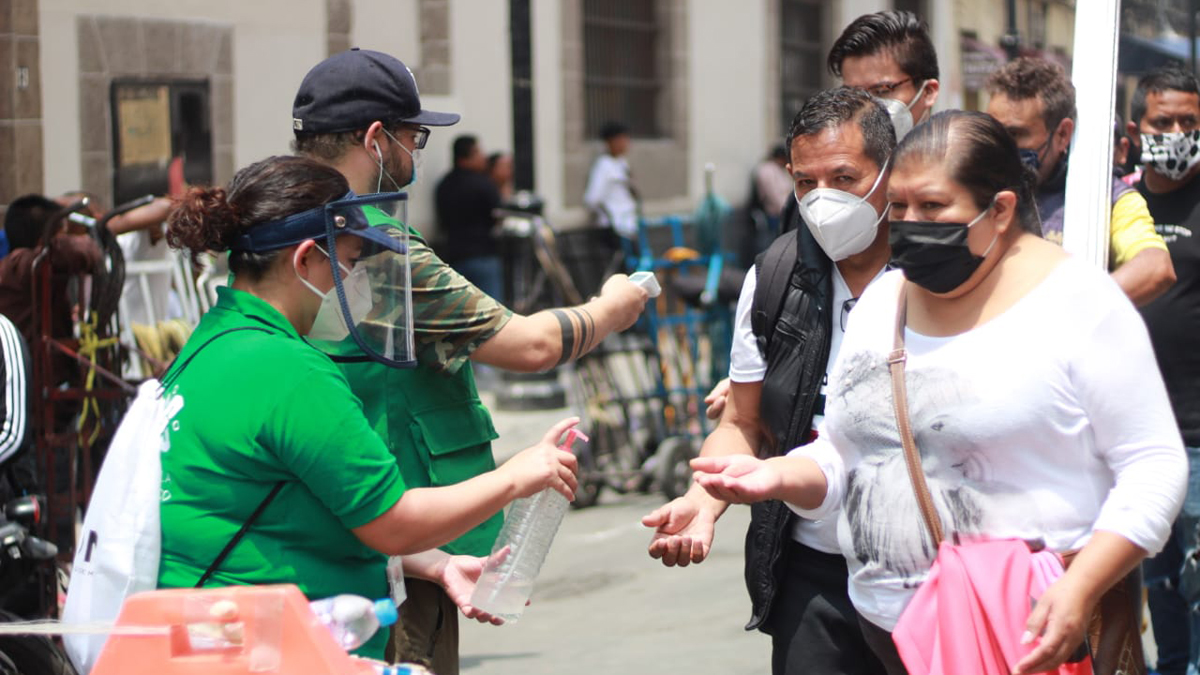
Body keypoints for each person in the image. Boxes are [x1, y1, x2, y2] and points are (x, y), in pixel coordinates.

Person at [688, 110, 1186, 675]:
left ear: (999, 210)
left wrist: (1082, 586)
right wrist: (776, 476)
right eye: (898, 207)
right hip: (886, 630)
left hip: (1023, 633)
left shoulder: (1079, 302)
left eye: (931, 206)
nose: (909, 223)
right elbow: (853, 453)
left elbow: (1154, 465)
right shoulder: (884, 303)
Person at [291, 48, 648, 673]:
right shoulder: (374, 242)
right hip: (394, 530)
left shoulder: (274, 227)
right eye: (413, 136)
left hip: (326, 521)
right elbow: (530, 345)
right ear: (375, 139)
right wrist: (613, 307)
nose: (415, 152)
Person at [156, 154, 581, 661]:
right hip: (269, 649)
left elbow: (312, 506)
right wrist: (516, 476)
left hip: (213, 635)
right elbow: (393, 520)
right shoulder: (290, 370)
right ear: (305, 259)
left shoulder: (212, 340)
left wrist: (436, 564)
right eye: (351, 261)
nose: (355, 280)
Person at [643, 87, 895, 675]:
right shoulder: (777, 275)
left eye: (844, 178)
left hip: (920, 571)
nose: (824, 199)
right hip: (812, 571)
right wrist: (704, 497)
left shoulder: (933, 277)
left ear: (890, 173)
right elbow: (742, 421)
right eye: (806, 182)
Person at [985, 56, 1175, 307]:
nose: (999, 147)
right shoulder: (972, 187)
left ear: (1062, 134)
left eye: (1015, 134)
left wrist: (1070, 310)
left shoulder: (1106, 198)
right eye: (990, 132)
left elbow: (1155, 268)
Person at [1128, 66, 1200, 675]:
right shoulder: (1118, 205)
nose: (1176, 133)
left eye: (1189, 122)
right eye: (1163, 121)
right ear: (1136, 130)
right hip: (1139, 436)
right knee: (1161, 584)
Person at [0, 195, 101, 357]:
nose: (68, 239)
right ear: (44, 242)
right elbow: (80, 250)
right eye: (64, 234)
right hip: (31, 367)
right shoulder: (20, 263)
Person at [828, 10, 940, 142]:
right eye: (852, 95)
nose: (864, 109)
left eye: (881, 91)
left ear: (928, 92)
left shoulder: (957, 153)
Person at [435, 135, 503, 300]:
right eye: (478, 152)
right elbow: (498, 215)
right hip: (482, 255)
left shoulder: (444, 184)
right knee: (491, 307)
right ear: (467, 156)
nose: (483, 157)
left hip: (454, 256)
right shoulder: (483, 183)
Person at [583, 121, 638, 240]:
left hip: (628, 226)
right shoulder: (603, 165)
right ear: (610, 142)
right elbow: (592, 199)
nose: (625, 143)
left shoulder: (622, 162)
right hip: (613, 228)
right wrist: (610, 214)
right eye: (621, 139)